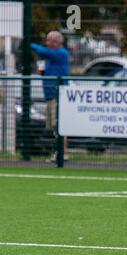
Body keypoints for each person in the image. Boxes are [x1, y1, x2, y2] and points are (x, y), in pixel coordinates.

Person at [31, 31, 70, 161]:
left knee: (58, 125)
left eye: (48, 41)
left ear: (56, 42)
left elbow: (43, 51)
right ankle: (58, 152)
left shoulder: (61, 53)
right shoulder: (51, 58)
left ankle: (63, 153)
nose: (47, 43)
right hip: (50, 95)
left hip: (57, 95)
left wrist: (28, 44)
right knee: (54, 126)